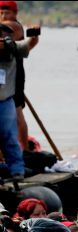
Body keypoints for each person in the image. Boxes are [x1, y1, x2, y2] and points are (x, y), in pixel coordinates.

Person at [0, 8, 35, 180]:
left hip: (5, 100)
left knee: (9, 138)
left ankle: (17, 171)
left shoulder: (13, 49)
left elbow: (27, 45)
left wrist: (34, 36)